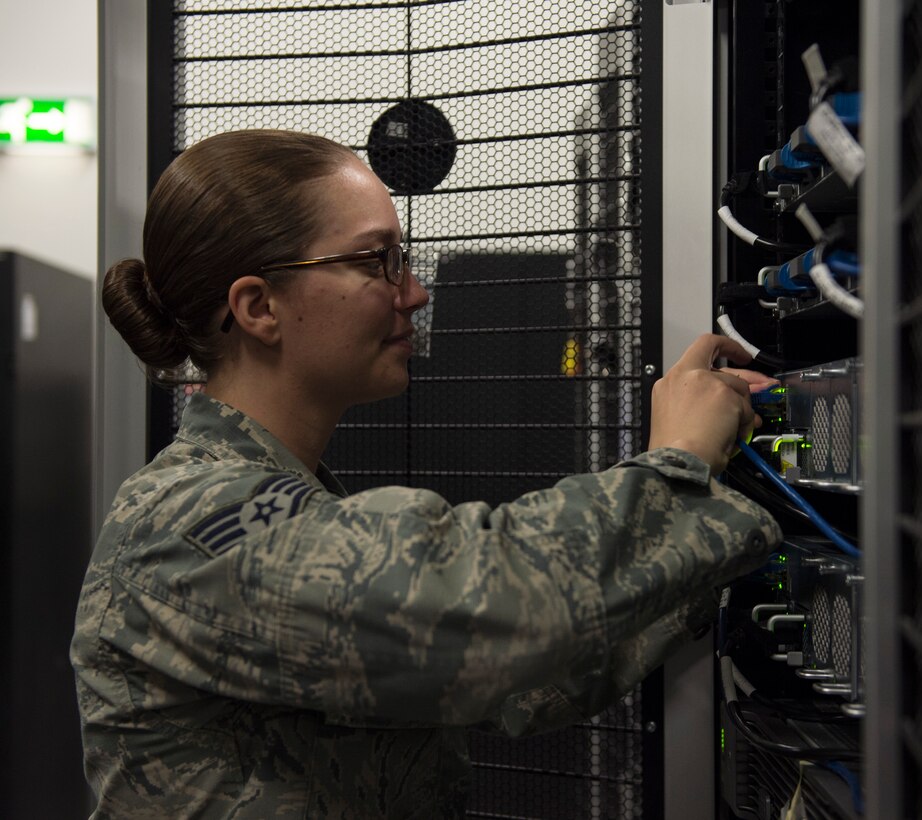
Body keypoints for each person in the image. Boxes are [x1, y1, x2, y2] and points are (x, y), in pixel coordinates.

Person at [71, 129, 781, 819]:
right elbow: (478, 616)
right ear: (259, 308)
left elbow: (519, 685)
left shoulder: (290, 502)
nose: (412, 292)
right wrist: (676, 466)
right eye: (376, 261)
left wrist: (719, 515)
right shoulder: (190, 522)